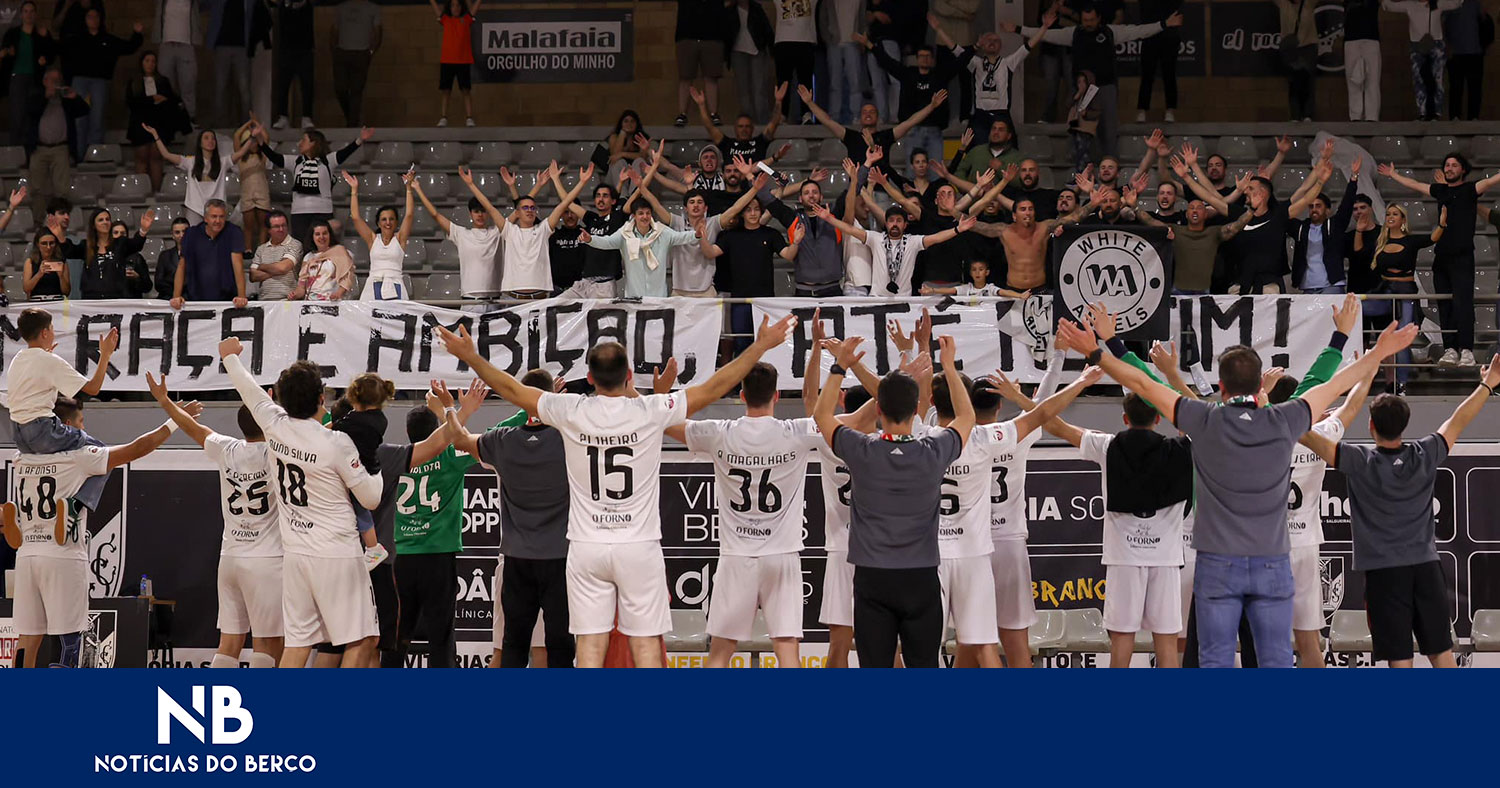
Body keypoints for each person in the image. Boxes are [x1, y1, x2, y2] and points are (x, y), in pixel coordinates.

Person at [1053, 311, 1418, 668]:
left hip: (1217, 563)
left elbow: (1146, 384)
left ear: (1221, 387)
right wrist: (1374, 350)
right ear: (1262, 386)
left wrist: (1100, 348)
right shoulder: (1286, 419)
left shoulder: (1204, 419)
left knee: (1214, 660)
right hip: (1272, 561)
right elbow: (1334, 385)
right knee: (1274, 661)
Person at [435, 313, 799, 668]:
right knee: (645, 649)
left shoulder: (570, 409)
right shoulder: (651, 409)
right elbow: (716, 386)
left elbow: (512, 389)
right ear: (628, 377)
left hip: (587, 546)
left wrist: (470, 356)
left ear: (589, 377)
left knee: (591, 649)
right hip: (638, 546)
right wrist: (760, 345)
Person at [1300, 360, 1499, 668]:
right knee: (1441, 652)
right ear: (1405, 425)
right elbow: (1458, 419)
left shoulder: (1358, 460)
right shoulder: (1425, 453)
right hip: (1426, 568)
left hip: (1384, 574)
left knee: (1398, 657)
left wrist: (1278, 411)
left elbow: (1304, 435)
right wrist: (1487, 384)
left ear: (1370, 426)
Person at [218, 337, 384, 668]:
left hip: (295, 554)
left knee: (299, 644)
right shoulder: (336, 443)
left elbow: (247, 389)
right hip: (336, 553)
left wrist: (230, 358)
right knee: (363, 638)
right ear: (322, 398)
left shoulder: (273, 425)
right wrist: (375, 467)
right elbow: (371, 498)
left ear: (278, 398)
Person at [933, 364, 1102, 669]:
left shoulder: (935, 441)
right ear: (1000, 404)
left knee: (969, 643)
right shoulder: (1008, 436)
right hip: (1005, 543)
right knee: (1014, 643)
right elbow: (1043, 410)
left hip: (963, 546)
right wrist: (1066, 367)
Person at [664, 362, 821, 668]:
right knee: (787, 648)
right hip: (783, 554)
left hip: (737, 555)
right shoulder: (797, 432)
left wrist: (658, 395)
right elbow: (839, 421)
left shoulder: (720, 433)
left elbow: (666, 424)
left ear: (741, 394)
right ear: (776, 396)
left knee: (721, 650)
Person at [10, 397, 184, 667]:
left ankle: (15, 697)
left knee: (27, 638)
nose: (84, 428)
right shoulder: (79, 457)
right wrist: (176, 421)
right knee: (69, 637)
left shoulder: (21, 458)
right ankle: (61, 703)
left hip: (27, 552)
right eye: (80, 422)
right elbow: (139, 448)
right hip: (63, 553)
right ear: (66, 426)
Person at [150, 380, 284, 669]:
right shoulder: (278, 453)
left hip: (231, 558)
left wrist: (164, 401)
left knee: (230, 643)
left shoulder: (228, 449)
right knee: (268, 643)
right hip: (267, 559)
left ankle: (211, 704)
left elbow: (192, 427)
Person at [443, 372, 573, 668]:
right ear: (552, 397)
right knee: (560, 646)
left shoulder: (501, 440)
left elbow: (460, 441)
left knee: (513, 644)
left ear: (517, 397)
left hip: (517, 560)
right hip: (560, 559)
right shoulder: (570, 441)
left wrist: (452, 409)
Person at [1267, 359, 1375, 668]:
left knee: (1266, 638)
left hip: (1266, 546)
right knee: (1308, 639)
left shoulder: (1256, 436)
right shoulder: (1319, 433)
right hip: (1304, 546)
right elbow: (1352, 407)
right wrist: (1367, 373)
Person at [1379, 154, 1500, 367]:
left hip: (1462, 257)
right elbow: (1416, 185)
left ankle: (1466, 350)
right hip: (1442, 256)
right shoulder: (1441, 190)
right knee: (1444, 305)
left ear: (1463, 170)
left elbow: (1492, 180)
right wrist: (1393, 174)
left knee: (1463, 304)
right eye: (1447, 165)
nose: (1450, 168)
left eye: (1454, 165)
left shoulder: (1470, 189)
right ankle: (1450, 349)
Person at [1013, 7, 1183, 156]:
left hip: (1105, 88)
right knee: (1077, 131)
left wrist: (1164, 24)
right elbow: (1046, 35)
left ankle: (1110, 163)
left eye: (1092, 20)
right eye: (1085, 20)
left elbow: (1138, 31)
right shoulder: (1073, 33)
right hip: (1081, 91)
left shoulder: (1110, 32)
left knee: (1108, 130)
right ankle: (1078, 167)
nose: (1088, 23)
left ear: (1099, 19)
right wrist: (1018, 29)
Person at [7, 309, 118, 511]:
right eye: (52, 328)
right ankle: (74, 508)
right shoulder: (49, 361)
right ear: (45, 333)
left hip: (19, 435)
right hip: (43, 432)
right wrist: (105, 355)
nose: (54, 332)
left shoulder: (18, 359)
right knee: (102, 453)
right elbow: (93, 389)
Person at [634, 162, 768, 298]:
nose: (696, 206)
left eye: (700, 202)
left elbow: (735, 208)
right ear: (685, 208)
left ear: (705, 208)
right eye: (692, 203)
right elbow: (656, 205)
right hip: (679, 292)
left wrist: (755, 189)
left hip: (707, 291)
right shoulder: (676, 222)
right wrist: (641, 187)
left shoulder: (713, 223)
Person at [809, 199, 977, 296]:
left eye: (898, 221)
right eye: (891, 220)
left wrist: (957, 229)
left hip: (903, 301)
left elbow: (936, 238)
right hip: (877, 300)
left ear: (905, 225)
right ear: (886, 223)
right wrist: (829, 218)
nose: (894, 224)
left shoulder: (913, 241)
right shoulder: (875, 238)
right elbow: (850, 229)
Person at [933, 11, 1055, 139]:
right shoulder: (975, 63)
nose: (992, 42)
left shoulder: (1008, 63)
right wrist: (939, 30)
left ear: (1000, 45)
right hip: (980, 116)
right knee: (973, 150)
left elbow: (1028, 46)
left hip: (1001, 116)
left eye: (995, 40)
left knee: (1007, 153)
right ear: (982, 45)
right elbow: (955, 49)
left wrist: (1045, 27)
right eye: (988, 40)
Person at [1364, 202, 1444, 393]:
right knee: (1358, 309)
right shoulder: (1381, 241)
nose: (1390, 216)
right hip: (1385, 290)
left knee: (1402, 336)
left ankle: (1401, 384)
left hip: (1406, 292)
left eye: (1395, 214)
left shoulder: (1411, 241)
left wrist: (1441, 224)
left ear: (1402, 220)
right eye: (1388, 214)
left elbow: (1433, 238)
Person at [798, 83, 949, 183]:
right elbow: (828, 121)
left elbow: (910, 122)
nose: (868, 114)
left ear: (878, 117)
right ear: (860, 117)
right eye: (865, 112)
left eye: (872, 112)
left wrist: (932, 106)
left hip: (881, 191)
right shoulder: (851, 136)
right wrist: (810, 103)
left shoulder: (886, 136)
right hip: (857, 192)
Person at [260, 125, 375, 248]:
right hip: (299, 213)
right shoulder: (295, 161)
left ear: (313, 143)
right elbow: (273, 156)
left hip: (322, 212)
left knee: (323, 248)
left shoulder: (328, 161)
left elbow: (346, 152)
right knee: (302, 248)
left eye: (303, 140)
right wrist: (259, 140)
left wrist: (360, 139)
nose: (299, 143)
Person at [856, 35, 966, 164]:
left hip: (935, 130)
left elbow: (960, 62)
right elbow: (887, 62)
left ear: (932, 59)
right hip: (912, 130)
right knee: (912, 171)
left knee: (936, 172)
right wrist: (869, 44)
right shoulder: (908, 74)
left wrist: (975, 48)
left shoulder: (940, 75)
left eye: (927, 56)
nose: (924, 59)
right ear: (917, 59)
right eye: (921, 56)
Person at [490, 162, 589, 299]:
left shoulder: (584, 232)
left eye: (572, 212)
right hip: (551, 290)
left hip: (576, 290)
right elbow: (522, 209)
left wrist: (581, 182)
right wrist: (517, 187)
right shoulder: (547, 231)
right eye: (566, 213)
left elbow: (564, 203)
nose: (570, 215)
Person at [967, 193, 1090, 293]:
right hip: (1013, 291)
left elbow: (1073, 218)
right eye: (1023, 209)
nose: (1027, 212)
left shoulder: (1045, 227)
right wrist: (952, 210)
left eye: (1030, 209)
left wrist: (1094, 202)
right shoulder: (1004, 230)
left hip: (1040, 290)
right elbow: (973, 225)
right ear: (1014, 216)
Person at [60, 11, 142, 159]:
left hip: (100, 82)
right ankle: (78, 156)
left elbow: (128, 47)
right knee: (79, 120)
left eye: (96, 17)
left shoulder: (107, 39)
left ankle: (94, 156)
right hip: (80, 80)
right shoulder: (76, 39)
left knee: (97, 119)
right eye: (89, 17)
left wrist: (137, 34)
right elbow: (62, 53)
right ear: (85, 20)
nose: (93, 20)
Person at [577, 201, 701, 298]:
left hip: (658, 297)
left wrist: (696, 234)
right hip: (633, 297)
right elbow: (607, 242)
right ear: (634, 216)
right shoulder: (625, 234)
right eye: (641, 213)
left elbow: (680, 236)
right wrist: (590, 239)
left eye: (648, 213)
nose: (645, 217)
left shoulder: (662, 232)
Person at [411, 168, 502, 299]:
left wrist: (471, 184)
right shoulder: (461, 233)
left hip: (494, 299)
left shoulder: (497, 232)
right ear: (471, 213)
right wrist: (418, 189)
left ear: (488, 213)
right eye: (476, 211)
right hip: (469, 298)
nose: (480, 215)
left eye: (483, 211)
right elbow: (435, 214)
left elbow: (518, 211)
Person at [1136, 196, 1253, 295]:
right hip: (1178, 292)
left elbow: (1236, 226)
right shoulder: (1175, 230)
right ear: (1186, 214)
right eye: (1191, 208)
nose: (1195, 211)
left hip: (1204, 292)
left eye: (1199, 208)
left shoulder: (1214, 232)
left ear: (1206, 214)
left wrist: (1252, 210)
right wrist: (1135, 208)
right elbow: (1151, 222)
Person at [142, 126, 244, 223]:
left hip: (216, 209)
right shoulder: (190, 162)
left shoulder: (223, 162)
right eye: (206, 138)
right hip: (195, 209)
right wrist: (156, 135)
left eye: (213, 139)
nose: (210, 141)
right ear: (200, 143)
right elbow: (166, 154)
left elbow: (240, 153)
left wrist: (253, 138)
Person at [341, 168, 416, 300]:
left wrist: (409, 188)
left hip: (396, 284)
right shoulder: (372, 239)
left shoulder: (400, 238)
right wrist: (354, 190)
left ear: (396, 222)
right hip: (373, 285)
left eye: (391, 219)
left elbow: (409, 215)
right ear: (378, 223)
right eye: (384, 219)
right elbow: (356, 217)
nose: (388, 222)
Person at [24, 68, 89, 219]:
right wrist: (46, 97)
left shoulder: (66, 100)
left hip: (60, 148)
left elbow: (85, 110)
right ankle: (39, 221)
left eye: (57, 80)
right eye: (52, 80)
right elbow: (30, 111)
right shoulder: (36, 96)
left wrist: (75, 97)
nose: (55, 83)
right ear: (44, 81)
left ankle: (60, 221)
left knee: (62, 190)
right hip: (39, 149)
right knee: (37, 189)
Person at [1287, 167, 1361, 294]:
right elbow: (1282, 214)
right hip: (1307, 285)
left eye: (1318, 206)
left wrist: (1353, 178)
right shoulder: (1301, 228)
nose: (1314, 209)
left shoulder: (1334, 225)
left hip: (1332, 285)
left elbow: (1347, 205)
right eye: (1311, 206)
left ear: (1328, 210)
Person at [1384, 0, 1460, 120]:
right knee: (1418, 80)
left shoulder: (1437, 4)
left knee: (1437, 79)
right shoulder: (1410, 5)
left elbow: (1456, 3)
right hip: (1417, 47)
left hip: (1436, 46)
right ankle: (1423, 113)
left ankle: (1436, 113)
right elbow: (1388, 6)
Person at [558, 181, 629, 299]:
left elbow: (632, 199)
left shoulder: (618, 218)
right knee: (556, 304)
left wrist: (629, 183)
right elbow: (568, 202)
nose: (601, 199)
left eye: (605, 196)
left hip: (604, 285)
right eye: (598, 195)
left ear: (613, 201)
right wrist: (556, 179)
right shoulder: (592, 219)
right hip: (584, 283)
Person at [171, 199, 247, 308]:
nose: (218, 220)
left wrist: (242, 296)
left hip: (228, 300)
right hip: (196, 299)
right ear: (205, 218)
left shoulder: (234, 232)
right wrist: (176, 296)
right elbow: (182, 265)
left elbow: (238, 264)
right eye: (214, 216)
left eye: (221, 217)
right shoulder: (191, 234)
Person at [124, 50, 181, 192]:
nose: (150, 64)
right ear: (142, 63)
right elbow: (131, 102)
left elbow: (173, 100)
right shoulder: (134, 81)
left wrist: (163, 100)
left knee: (156, 158)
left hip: (159, 123)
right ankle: (142, 191)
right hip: (140, 123)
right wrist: (151, 100)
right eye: (147, 61)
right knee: (141, 158)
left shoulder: (163, 81)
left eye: (153, 61)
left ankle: (156, 192)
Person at [3, 2, 57, 147]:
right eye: (26, 11)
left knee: (31, 116)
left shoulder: (41, 34)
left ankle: (29, 153)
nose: (29, 15)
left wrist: (44, 59)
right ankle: (15, 153)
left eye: (32, 11)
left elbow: (51, 54)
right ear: (21, 14)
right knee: (17, 117)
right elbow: (4, 53)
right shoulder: (13, 33)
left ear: (36, 14)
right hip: (18, 77)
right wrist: (9, 53)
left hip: (36, 79)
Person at [673, 0, 729, 128]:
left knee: (711, 77)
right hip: (686, 35)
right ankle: (682, 114)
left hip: (712, 36)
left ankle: (714, 114)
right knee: (685, 77)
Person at [79, 207, 153, 299]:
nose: (105, 222)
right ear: (94, 225)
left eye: (107, 219)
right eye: (101, 220)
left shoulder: (125, 248)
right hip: (92, 299)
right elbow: (69, 251)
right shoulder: (86, 246)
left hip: (118, 299)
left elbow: (136, 244)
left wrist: (143, 230)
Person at [331, 0, 381, 126]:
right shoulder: (340, 8)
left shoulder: (373, 8)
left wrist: (370, 52)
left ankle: (352, 123)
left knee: (356, 90)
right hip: (342, 52)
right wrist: (335, 51)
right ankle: (351, 118)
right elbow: (334, 30)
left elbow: (378, 31)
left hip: (361, 53)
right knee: (340, 89)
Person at [203, 0, 253, 125]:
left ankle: (246, 124)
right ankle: (220, 125)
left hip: (242, 48)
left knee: (244, 89)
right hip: (221, 46)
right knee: (220, 87)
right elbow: (202, 5)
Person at [430, 0, 479, 127]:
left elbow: (475, 8)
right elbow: (436, 7)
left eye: (458, 5)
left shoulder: (467, 19)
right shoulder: (445, 19)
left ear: (461, 7)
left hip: (463, 61)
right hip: (447, 61)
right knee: (446, 91)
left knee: (466, 91)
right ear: (449, 8)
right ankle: (443, 118)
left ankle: (469, 118)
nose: (455, 8)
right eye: (453, 5)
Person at [151, 0, 200, 119]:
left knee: (188, 84)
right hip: (166, 45)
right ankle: (167, 118)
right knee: (165, 85)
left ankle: (189, 118)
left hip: (186, 45)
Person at [728, 0, 775, 124]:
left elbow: (767, 29)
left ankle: (763, 121)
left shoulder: (756, 9)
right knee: (743, 90)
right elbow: (725, 33)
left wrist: (770, 50)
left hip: (757, 51)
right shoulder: (730, 11)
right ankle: (748, 123)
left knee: (759, 88)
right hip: (737, 52)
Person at [770, 0, 816, 122]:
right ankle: (782, 114)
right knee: (783, 81)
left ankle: (806, 114)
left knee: (805, 80)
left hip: (805, 41)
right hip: (783, 42)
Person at [270, 0, 314, 129]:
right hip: (286, 51)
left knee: (307, 85)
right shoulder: (283, 6)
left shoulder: (307, 6)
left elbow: (301, 5)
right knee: (283, 85)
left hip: (305, 51)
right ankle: (283, 116)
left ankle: (306, 117)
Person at [1135, 0, 1181, 122]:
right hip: (1150, 35)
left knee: (1169, 74)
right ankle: (1142, 110)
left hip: (1169, 37)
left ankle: (1170, 110)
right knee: (1147, 75)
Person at [288, 220, 356, 301]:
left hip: (333, 302)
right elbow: (302, 287)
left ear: (330, 234)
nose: (321, 237)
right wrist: (295, 294)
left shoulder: (341, 252)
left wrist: (338, 294)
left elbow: (347, 278)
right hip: (311, 303)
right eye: (317, 234)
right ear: (312, 237)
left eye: (324, 233)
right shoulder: (308, 257)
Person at [1273, 0, 1319, 121]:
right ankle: (1295, 115)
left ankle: (1307, 115)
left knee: (1308, 82)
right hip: (1291, 49)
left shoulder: (1308, 3)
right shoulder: (1284, 4)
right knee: (1293, 83)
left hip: (1308, 47)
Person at [1444, 0, 1485, 120]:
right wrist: (1447, 46)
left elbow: (1484, 21)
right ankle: (1455, 117)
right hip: (1455, 53)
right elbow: (1441, 24)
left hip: (1475, 53)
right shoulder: (1449, 4)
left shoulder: (1475, 3)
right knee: (1456, 88)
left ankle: (1474, 118)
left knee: (1475, 89)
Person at [245, 210, 299, 300]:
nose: (281, 229)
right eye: (277, 226)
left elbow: (283, 268)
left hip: (287, 300)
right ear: (269, 230)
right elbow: (253, 276)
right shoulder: (261, 249)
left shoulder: (295, 244)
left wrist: (262, 266)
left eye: (284, 225)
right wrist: (277, 271)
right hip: (264, 300)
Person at [234, 118, 270, 250]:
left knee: (263, 224)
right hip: (247, 193)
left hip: (262, 192)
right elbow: (237, 136)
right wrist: (248, 123)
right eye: (251, 141)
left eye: (255, 141)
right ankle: (248, 249)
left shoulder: (263, 156)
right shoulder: (240, 157)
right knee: (248, 225)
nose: (254, 144)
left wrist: (257, 123)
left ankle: (262, 249)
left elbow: (266, 137)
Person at [1344, 0, 1382, 120]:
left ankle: (1372, 116)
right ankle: (1355, 116)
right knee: (1353, 80)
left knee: (1373, 79)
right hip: (1351, 40)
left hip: (1371, 39)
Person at [22, 228, 70, 300]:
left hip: (57, 301)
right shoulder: (30, 262)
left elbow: (66, 292)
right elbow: (26, 289)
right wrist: (39, 274)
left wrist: (61, 277)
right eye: (44, 243)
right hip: (37, 301)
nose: (48, 247)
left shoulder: (62, 262)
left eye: (51, 243)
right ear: (37, 244)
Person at [152, 215, 188, 297]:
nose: (181, 235)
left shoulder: (198, 256)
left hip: (190, 300)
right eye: (177, 232)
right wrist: (176, 293)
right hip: (168, 299)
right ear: (172, 235)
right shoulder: (164, 256)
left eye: (184, 231)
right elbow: (158, 283)